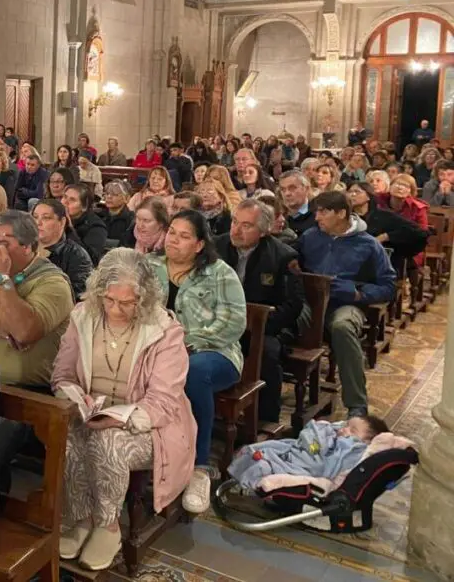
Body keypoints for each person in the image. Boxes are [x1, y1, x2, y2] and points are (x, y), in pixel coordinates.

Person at [52, 249, 196, 570]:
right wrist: (78, 399)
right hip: (94, 413)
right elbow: (62, 375)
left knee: (108, 441)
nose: (116, 309)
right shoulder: (83, 316)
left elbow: (162, 403)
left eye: (127, 303)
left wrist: (119, 419)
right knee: (70, 434)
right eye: (109, 299)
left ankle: (108, 526)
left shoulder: (164, 332)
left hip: (151, 427)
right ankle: (81, 520)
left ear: (143, 299)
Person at [148, 210, 247, 513]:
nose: (174, 240)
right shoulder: (150, 267)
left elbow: (233, 322)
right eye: (172, 232)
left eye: (184, 236)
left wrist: (187, 343)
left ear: (200, 244)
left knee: (193, 372)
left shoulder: (219, 272)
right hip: (156, 351)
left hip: (212, 353)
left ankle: (199, 468)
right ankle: (151, 454)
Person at [294, 191, 396, 417]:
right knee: (283, 319)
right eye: (316, 211)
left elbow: (389, 286)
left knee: (343, 326)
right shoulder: (310, 237)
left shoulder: (368, 244)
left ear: (341, 213)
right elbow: (292, 262)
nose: (317, 217)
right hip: (311, 302)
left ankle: (356, 404)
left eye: (323, 212)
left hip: (346, 304)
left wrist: (359, 293)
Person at [214, 199, 305, 423]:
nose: (236, 230)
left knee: (267, 352)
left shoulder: (283, 256)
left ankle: (265, 418)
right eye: (235, 222)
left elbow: (293, 305)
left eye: (246, 226)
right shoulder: (216, 247)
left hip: (264, 329)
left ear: (263, 231)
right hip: (219, 323)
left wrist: (259, 324)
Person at [0, 210, 73, 386]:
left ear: (28, 246)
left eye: (2, 244)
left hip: (26, 394)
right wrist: (1, 324)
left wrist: (0, 277)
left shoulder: (53, 284)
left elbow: (22, 332)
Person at [229, 415, 391, 491]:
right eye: (347, 424)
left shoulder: (352, 449)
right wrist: (320, 431)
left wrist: (320, 440)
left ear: (365, 443)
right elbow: (312, 435)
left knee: (267, 460)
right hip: (304, 450)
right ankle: (257, 460)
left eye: (352, 430)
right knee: (277, 447)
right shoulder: (335, 434)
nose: (344, 428)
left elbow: (322, 463)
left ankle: (259, 468)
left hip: (311, 460)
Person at [346, 182, 428, 278]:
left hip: (379, 265)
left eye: (357, 192)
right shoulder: (345, 217)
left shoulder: (384, 216)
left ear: (368, 196)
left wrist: (385, 236)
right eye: (350, 191)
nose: (352, 195)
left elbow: (418, 232)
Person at [33, 200, 94, 302]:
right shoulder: (24, 247)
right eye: (35, 217)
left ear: (62, 222)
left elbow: (79, 296)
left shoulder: (77, 256)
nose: (38, 223)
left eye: (46, 218)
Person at [386, 173, 429, 268]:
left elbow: (422, 234)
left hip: (410, 250)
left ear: (411, 192)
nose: (400, 187)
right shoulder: (380, 203)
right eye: (397, 184)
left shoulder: (418, 208)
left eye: (405, 186)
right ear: (390, 187)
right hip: (383, 246)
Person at [61, 183, 107, 266]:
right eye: (64, 197)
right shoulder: (56, 218)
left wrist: (69, 229)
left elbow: (90, 259)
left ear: (84, 207)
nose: (65, 202)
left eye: (72, 200)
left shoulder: (97, 227)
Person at [279, 169, 316, 235]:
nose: (287, 193)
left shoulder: (318, 215)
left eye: (292, 188)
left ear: (306, 189)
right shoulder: (278, 216)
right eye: (283, 189)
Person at [100, 180, 135, 246]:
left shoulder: (131, 220)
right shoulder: (98, 215)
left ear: (127, 198)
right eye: (107, 193)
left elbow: (126, 244)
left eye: (114, 194)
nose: (109, 197)